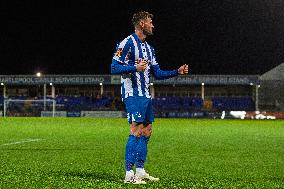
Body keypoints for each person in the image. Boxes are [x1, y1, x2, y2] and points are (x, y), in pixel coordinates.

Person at [111, 11, 188, 184]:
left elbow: (158, 73)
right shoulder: (127, 43)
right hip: (133, 93)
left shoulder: (149, 49)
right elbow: (114, 67)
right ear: (141, 24)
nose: (153, 25)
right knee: (136, 130)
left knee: (147, 131)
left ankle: (140, 171)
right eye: (150, 22)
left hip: (145, 94)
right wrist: (133, 68)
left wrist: (177, 72)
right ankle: (128, 175)